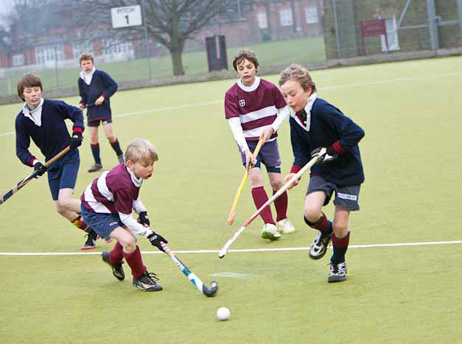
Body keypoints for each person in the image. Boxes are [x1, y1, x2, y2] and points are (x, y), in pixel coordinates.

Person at [279, 64, 365, 283]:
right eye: (285, 96)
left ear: (308, 90)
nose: (289, 100)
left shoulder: (322, 109)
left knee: (341, 225)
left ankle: (337, 262)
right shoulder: (295, 117)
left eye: (293, 94)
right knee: (311, 212)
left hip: (348, 172)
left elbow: (355, 132)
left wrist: (331, 151)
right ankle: (326, 232)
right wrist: (294, 173)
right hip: (322, 171)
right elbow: (301, 153)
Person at [15, 73, 102, 250]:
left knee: (65, 200)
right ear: (22, 95)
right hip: (51, 163)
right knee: (61, 209)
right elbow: (21, 150)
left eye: (37, 90)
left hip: (69, 157)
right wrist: (35, 163)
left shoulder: (54, 106)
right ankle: (91, 230)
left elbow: (77, 113)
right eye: (29, 91)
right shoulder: (21, 119)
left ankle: (102, 212)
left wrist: (77, 133)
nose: (34, 94)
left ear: (41, 90)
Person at [224, 49, 295, 241]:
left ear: (256, 67)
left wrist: (271, 128)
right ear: (236, 72)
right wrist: (245, 150)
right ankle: (269, 224)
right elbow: (234, 125)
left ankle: (282, 219)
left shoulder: (269, 88)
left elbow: (284, 111)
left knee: (277, 182)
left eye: (249, 67)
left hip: (269, 142)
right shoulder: (231, 95)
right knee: (256, 179)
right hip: (247, 144)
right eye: (241, 68)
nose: (245, 71)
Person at [80, 138, 168, 292]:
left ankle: (112, 258)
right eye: (146, 165)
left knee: (130, 239)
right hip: (95, 211)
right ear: (130, 164)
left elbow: (134, 197)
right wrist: (150, 234)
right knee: (129, 240)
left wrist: (142, 212)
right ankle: (140, 277)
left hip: (109, 204)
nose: (150, 169)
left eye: (152, 164)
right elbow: (125, 217)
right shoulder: (123, 183)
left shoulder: (136, 174)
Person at [78, 52, 124, 173]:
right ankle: (97, 163)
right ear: (81, 66)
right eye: (84, 64)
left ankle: (120, 156)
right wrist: (82, 103)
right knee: (93, 138)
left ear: (93, 63)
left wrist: (103, 96)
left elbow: (113, 86)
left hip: (104, 109)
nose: (87, 65)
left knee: (109, 135)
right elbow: (83, 96)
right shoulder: (81, 79)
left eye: (88, 63)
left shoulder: (101, 74)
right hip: (92, 111)